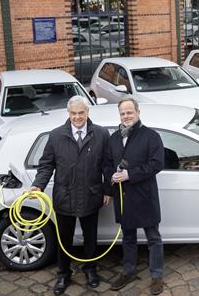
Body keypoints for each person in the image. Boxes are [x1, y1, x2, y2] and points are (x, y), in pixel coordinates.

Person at [30, 95, 111, 295]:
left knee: (90, 237)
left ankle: (90, 270)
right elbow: (46, 164)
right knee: (63, 239)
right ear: (69, 113)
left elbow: (107, 166)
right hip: (64, 197)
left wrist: (108, 190)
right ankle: (63, 274)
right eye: (73, 113)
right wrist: (37, 185)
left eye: (81, 113)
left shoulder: (100, 134)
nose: (77, 117)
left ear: (87, 112)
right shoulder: (56, 135)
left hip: (91, 195)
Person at [105, 98, 165, 295]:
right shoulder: (113, 138)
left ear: (138, 112)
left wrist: (130, 174)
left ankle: (156, 275)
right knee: (128, 237)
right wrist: (111, 175)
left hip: (145, 196)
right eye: (123, 113)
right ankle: (128, 271)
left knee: (153, 238)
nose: (126, 116)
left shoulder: (151, 136)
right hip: (123, 197)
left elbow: (157, 164)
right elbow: (106, 164)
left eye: (129, 112)